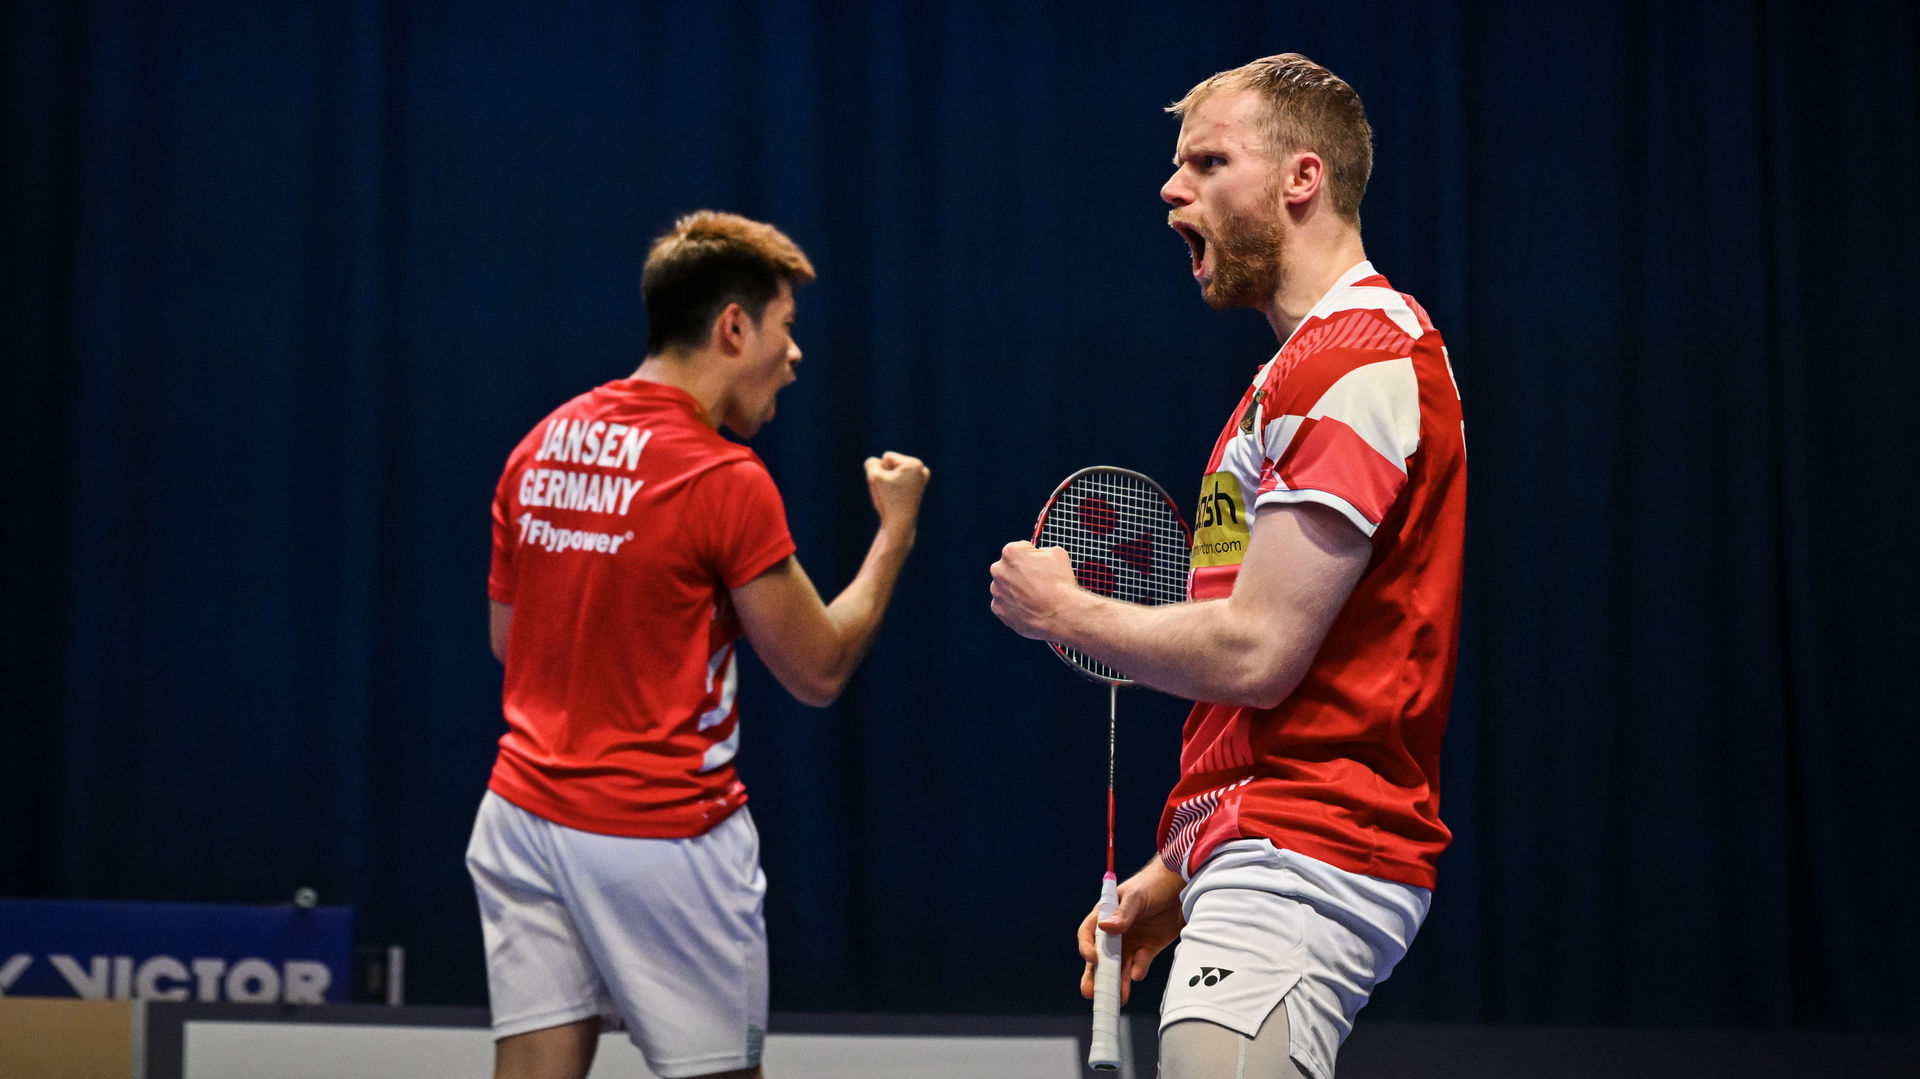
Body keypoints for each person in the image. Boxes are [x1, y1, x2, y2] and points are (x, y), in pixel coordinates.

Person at [990, 55, 1466, 1079]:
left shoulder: (1359, 358)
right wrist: (1178, 861)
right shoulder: (1289, 374)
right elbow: (1267, 694)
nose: (1172, 188)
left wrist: (1066, 608)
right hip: (1258, 845)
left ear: (1302, 179)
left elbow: (1256, 654)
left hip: (1306, 855)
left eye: (1208, 161)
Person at [468, 210, 929, 1079]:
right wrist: (895, 532)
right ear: (732, 326)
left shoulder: (539, 445)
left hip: (522, 817)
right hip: (662, 839)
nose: (795, 357)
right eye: (785, 329)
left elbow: (510, 643)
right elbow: (819, 669)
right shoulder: (723, 477)